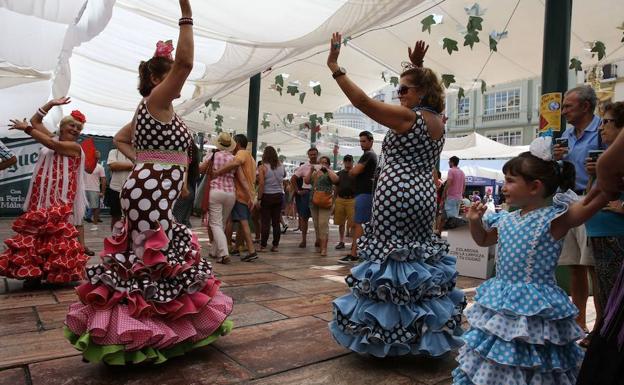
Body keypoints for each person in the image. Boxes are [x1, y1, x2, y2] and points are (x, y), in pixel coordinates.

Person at [64, 2, 234, 364]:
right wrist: (186, 12)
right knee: (148, 260)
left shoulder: (156, 109)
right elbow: (186, 64)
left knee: (153, 255)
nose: (179, 79)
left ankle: (155, 329)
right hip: (149, 191)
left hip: (153, 189)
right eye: (171, 74)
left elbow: (123, 137)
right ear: (159, 79)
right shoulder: (156, 99)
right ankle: (135, 333)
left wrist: (157, 164)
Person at [327, 35, 465, 357]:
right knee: (415, 260)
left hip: (396, 195)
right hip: (422, 195)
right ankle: (421, 332)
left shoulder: (409, 118)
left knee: (391, 261)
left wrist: (335, 67)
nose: (399, 93)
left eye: (404, 89)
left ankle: (389, 336)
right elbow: (420, 93)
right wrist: (417, 68)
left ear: (421, 93)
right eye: (398, 88)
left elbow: (362, 102)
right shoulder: (436, 123)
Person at [452, 138, 612, 385]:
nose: (504, 187)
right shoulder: (505, 219)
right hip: (501, 299)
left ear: (535, 187)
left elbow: (589, 205)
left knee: (530, 353)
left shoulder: (554, 218)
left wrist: (605, 180)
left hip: (536, 305)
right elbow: (483, 240)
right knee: (499, 350)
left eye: (510, 181)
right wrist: (474, 220)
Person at [0, 98, 89, 286]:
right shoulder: (53, 137)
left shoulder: (74, 148)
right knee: (36, 231)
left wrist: (27, 130)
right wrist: (51, 104)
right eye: (72, 126)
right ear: (62, 127)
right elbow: (35, 122)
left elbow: (51, 144)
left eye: (78, 129)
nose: (75, 130)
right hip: (40, 196)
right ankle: (34, 272)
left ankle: (54, 271)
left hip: (61, 197)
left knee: (55, 232)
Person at [554, 85, 605, 338]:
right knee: (574, 266)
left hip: (592, 200)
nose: (563, 111)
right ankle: (579, 323)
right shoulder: (568, 134)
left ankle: (601, 329)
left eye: (568, 106)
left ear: (585, 106)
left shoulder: (603, 131)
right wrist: (555, 158)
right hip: (568, 201)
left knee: (594, 266)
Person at [578, 103, 624, 384]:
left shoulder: (610, 157)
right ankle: (601, 332)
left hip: (613, 230)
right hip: (599, 228)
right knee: (603, 289)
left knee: (612, 292)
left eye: (607, 122)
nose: (602, 127)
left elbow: (607, 172)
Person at [201, 132, 252, 264]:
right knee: (221, 223)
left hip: (216, 192)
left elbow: (202, 168)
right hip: (230, 194)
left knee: (215, 224)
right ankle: (214, 251)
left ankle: (224, 253)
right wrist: (250, 195)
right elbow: (242, 180)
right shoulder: (233, 159)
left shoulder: (213, 156)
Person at [212, 134, 257, 261]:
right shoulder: (251, 157)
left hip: (241, 193)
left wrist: (219, 171)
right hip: (248, 193)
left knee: (240, 222)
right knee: (239, 221)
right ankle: (236, 247)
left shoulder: (241, 153)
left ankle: (249, 250)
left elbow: (236, 163)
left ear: (237, 143)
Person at [338, 131, 377, 264]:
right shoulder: (369, 155)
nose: (362, 144)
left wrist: (353, 171)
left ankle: (354, 254)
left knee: (359, 225)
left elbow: (354, 172)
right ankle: (359, 253)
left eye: (364, 141)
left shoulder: (368, 154)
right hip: (365, 193)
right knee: (360, 224)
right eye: (360, 141)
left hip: (365, 194)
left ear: (371, 141)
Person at [305, 155, 338, 256]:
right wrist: (311, 170)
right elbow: (306, 181)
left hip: (325, 201)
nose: (322, 164)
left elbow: (336, 180)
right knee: (316, 224)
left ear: (328, 164)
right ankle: (320, 243)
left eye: (325, 162)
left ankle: (324, 248)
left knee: (323, 224)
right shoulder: (315, 173)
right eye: (321, 162)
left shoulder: (329, 173)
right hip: (313, 201)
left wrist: (327, 169)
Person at [257, 146, 287, 252]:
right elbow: (284, 175)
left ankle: (263, 245)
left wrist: (259, 199)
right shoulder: (281, 166)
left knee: (265, 222)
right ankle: (275, 246)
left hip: (267, 196)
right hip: (279, 196)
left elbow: (261, 184)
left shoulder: (262, 167)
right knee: (276, 222)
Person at [291, 147, 320, 248]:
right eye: (311, 154)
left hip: (318, 193)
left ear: (317, 154)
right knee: (304, 217)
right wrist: (297, 191)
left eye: (314, 154)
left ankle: (318, 239)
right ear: (308, 155)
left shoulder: (321, 166)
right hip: (306, 193)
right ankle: (304, 240)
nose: (313, 156)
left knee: (318, 218)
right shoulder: (304, 166)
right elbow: (293, 178)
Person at [172, 142, 200, 227]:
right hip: (190, 190)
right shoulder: (194, 155)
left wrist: (183, 187)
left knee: (177, 222)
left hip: (183, 189)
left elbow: (185, 170)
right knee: (185, 222)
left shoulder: (184, 156)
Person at [105, 147, 133, 228]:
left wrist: (121, 166)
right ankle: (114, 238)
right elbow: (113, 166)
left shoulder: (137, 152)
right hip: (115, 188)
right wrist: (133, 165)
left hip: (132, 189)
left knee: (132, 216)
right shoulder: (114, 151)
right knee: (115, 216)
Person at [333, 154, 355, 251]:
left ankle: (353, 243)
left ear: (352, 162)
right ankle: (341, 241)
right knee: (340, 222)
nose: (348, 162)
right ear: (344, 162)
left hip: (352, 199)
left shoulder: (355, 173)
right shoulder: (339, 173)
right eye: (346, 160)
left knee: (353, 222)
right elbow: (336, 187)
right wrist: (334, 200)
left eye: (349, 160)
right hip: (340, 199)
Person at [84, 150, 106, 227]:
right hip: (83, 189)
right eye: (96, 157)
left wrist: (102, 192)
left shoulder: (100, 167)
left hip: (95, 189)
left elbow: (103, 180)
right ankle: (79, 224)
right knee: (81, 207)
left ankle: (95, 225)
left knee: (95, 207)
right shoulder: (85, 165)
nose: (97, 159)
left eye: (98, 157)